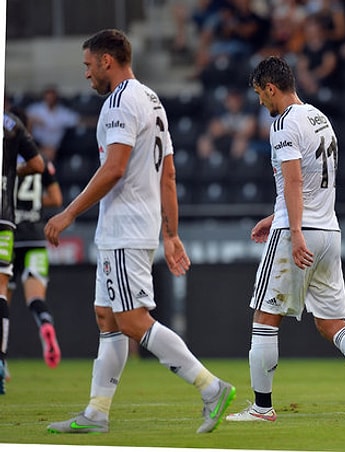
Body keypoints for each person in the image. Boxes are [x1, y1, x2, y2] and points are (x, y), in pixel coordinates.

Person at [44, 29, 234, 434]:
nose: (86, 74)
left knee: (131, 320)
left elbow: (114, 168)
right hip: (134, 224)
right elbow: (168, 171)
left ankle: (210, 387)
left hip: (124, 227)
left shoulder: (119, 102)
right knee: (107, 317)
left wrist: (68, 213)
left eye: (88, 65)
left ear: (106, 61)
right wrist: (171, 232)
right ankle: (96, 413)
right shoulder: (150, 98)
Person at [225, 56, 345, 424]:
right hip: (328, 231)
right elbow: (317, 181)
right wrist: (277, 217)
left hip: (297, 235)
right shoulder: (319, 117)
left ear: (271, 88)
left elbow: (293, 181)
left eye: (260, 94)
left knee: (265, 316)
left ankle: (261, 407)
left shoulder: (283, 123)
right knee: (331, 322)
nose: (260, 102)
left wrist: (293, 230)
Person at [0, 110, 46, 394]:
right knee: (2, 289)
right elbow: (38, 164)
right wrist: (12, 172)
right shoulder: (12, 124)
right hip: (6, 218)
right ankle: (1, 362)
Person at [11, 156, 63, 369]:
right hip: (35, 238)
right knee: (35, 298)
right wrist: (32, 204)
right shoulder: (40, 161)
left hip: (8, 236)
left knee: (2, 299)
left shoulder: (4, 156)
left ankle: (1, 363)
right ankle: (45, 322)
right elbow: (57, 198)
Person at [26, 86, 81, 162]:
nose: (50, 100)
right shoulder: (35, 109)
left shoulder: (62, 112)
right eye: (48, 98)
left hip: (56, 147)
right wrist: (33, 120)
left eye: (52, 98)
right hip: (37, 144)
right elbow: (23, 119)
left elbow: (77, 120)